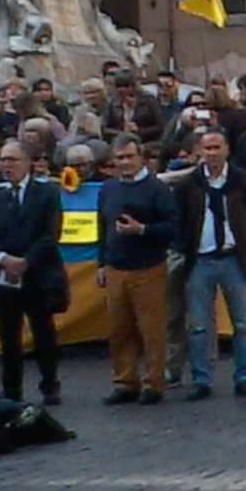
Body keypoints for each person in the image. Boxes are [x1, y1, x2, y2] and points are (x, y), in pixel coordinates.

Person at [174, 127, 246, 400]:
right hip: (199, 261)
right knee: (199, 325)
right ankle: (202, 378)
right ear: (200, 151)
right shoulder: (189, 184)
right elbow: (181, 218)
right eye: (207, 148)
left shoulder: (241, 180)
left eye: (217, 148)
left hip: (233, 259)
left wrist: (243, 240)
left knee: (244, 323)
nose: (212, 154)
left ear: (226, 150)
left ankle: (245, 376)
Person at [0, 141, 67, 406]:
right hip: (5, 277)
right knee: (8, 337)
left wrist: (26, 261)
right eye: (3, 160)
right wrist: (3, 259)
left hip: (38, 274)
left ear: (28, 162)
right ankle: (11, 390)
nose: (7, 165)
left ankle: (50, 384)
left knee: (44, 333)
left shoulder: (47, 193)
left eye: (13, 160)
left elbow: (51, 234)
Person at [96, 135, 181, 404]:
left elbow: (173, 227)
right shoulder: (108, 188)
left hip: (148, 267)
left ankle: (153, 382)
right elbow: (102, 227)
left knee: (151, 329)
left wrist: (141, 229)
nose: (124, 163)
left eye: (129, 157)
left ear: (141, 157)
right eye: (119, 158)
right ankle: (125, 381)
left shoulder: (156, 188)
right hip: (115, 267)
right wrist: (101, 263)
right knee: (119, 328)